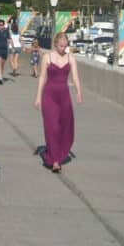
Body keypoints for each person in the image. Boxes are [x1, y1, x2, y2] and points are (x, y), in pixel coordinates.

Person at [34, 32, 82, 172]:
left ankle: (60, 152)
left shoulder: (70, 58)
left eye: (65, 46)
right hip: (49, 95)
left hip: (64, 95)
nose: (63, 48)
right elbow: (42, 77)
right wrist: (38, 96)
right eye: (61, 46)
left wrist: (79, 92)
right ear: (55, 44)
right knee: (52, 127)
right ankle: (55, 160)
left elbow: (75, 77)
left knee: (66, 126)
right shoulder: (47, 57)